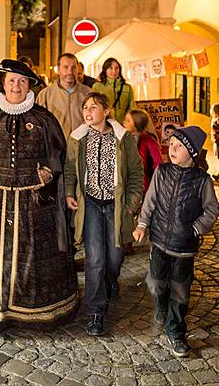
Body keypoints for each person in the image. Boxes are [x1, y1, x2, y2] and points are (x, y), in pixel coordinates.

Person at [0, 59, 79, 332]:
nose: (16, 86)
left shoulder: (44, 119)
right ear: (2, 83)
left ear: (30, 85)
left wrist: (48, 171)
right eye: (11, 80)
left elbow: (58, 154)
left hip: (32, 201)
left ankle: (30, 312)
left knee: (31, 256)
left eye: (22, 81)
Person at [133, 126, 219, 358]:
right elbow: (150, 201)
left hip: (184, 248)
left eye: (179, 146)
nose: (173, 149)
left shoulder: (202, 181)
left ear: (191, 153)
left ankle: (176, 331)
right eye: (171, 144)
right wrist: (142, 225)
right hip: (159, 241)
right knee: (157, 281)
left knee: (180, 292)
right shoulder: (161, 172)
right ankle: (161, 304)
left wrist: (196, 228)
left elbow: (212, 210)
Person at [64, 92, 143, 336]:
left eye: (94, 107)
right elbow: (69, 169)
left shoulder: (123, 138)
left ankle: (111, 280)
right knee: (95, 260)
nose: (88, 111)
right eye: (85, 107)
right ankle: (96, 312)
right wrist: (69, 193)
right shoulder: (78, 138)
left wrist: (131, 203)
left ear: (107, 111)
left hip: (116, 207)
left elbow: (136, 173)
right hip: (91, 206)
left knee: (115, 258)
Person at [36, 52, 91, 140]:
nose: (70, 72)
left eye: (73, 68)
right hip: (57, 148)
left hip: (82, 148)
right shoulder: (45, 95)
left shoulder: (88, 93)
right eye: (65, 67)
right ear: (58, 70)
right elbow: (39, 126)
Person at [124, 109, 163, 196]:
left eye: (128, 120)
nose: (124, 122)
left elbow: (158, 163)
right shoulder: (123, 138)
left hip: (143, 185)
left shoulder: (149, 141)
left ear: (137, 124)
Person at [92, 58, 134, 125]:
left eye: (116, 68)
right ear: (105, 70)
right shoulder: (97, 86)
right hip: (104, 124)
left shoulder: (127, 87)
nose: (114, 71)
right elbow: (94, 107)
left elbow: (132, 108)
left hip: (122, 125)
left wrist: (128, 123)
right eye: (110, 68)